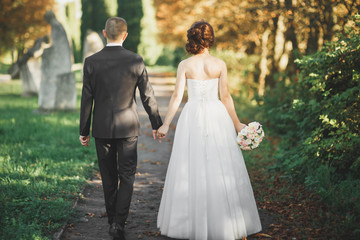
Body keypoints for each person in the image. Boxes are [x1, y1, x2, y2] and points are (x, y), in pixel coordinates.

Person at [156, 21, 262, 240]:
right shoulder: (219, 64)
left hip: (192, 115)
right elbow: (225, 97)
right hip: (217, 115)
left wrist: (166, 124)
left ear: (191, 39)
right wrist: (237, 124)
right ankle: (222, 222)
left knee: (191, 164)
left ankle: (190, 222)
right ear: (210, 39)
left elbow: (177, 97)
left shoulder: (184, 65)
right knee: (219, 164)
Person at [79, 17, 162, 240]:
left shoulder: (91, 62)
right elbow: (148, 96)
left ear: (104, 33)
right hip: (128, 129)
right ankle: (119, 223)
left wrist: (83, 130)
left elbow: (87, 99)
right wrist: (156, 124)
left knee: (108, 175)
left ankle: (112, 220)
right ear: (125, 35)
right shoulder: (135, 60)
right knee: (127, 175)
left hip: (102, 129)